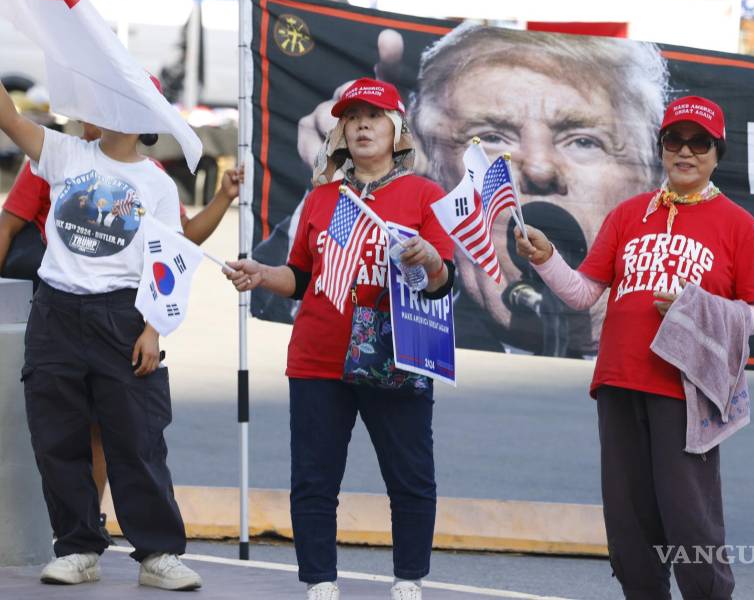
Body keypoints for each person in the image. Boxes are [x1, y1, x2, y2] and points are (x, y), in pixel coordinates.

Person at [515, 96, 754, 600]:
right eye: (674, 140)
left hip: (685, 387)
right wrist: (547, 260)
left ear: (717, 153)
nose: (685, 151)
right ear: (660, 148)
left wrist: (696, 307)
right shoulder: (629, 214)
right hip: (618, 380)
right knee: (629, 518)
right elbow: (583, 293)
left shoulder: (737, 224)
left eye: (699, 143)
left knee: (689, 517)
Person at [226, 78, 454, 600]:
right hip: (317, 357)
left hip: (396, 354)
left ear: (396, 129)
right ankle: (320, 582)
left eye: (372, 117)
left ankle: (408, 580)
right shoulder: (323, 197)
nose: (361, 126)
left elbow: (445, 282)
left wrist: (429, 261)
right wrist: (263, 274)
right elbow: (300, 276)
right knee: (313, 478)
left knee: (410, 475)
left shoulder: (424, 194)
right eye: (351, 118)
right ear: (341, 132)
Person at [0, 81, 202, 591]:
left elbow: (168, 264)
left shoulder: (157, 186)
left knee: (136, 439)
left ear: (141, 117)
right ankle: (77, 547)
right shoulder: (65, 152)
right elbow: (12, 121)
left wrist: (153, 330)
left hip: (122, 316)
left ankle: (158, 554)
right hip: (56, 312)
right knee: (56, 436)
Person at [409, 23, 669, 357]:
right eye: (491, 137)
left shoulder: (679, 346)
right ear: (434, 168)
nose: (539, 168)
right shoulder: (415, 351)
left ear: (651, 178)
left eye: (583, 141)